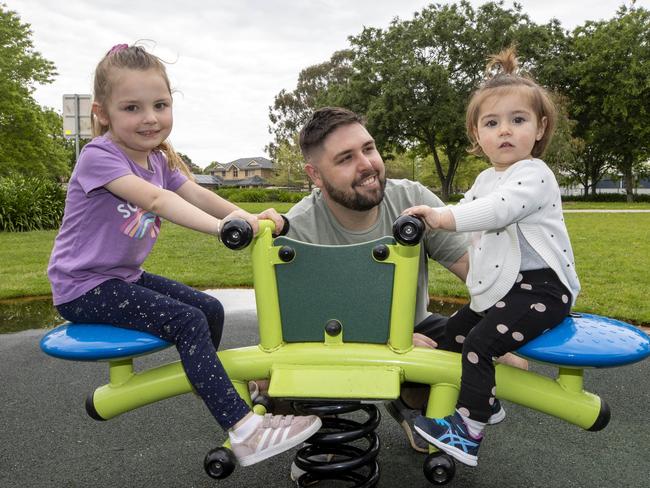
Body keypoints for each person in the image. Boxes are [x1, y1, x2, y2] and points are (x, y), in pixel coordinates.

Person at [47, 44, 321, 468]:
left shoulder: (158, 160)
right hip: (82, 286)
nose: (150, 118)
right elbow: (156, 201)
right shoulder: (98, 156)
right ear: (103, 113)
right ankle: (245, 430)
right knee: (186, 320)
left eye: (160, 105)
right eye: (132, 108)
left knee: (208, 308)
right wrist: (222, 231)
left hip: (121, 277)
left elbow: (197, 193)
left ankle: (209, 384)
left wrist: (247, 217)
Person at [282, 106, 501, 456]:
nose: (367, 164)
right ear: (316, 175)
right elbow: (294, 328)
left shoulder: (410, 200)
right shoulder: (299, 228)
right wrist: (384, 340)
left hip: (415, 331)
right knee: (274, 380)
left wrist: (507, 324)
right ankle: (322, 434)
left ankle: (411, 401)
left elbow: (475, 271)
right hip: (332, 340)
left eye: (368, 149)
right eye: (345, 158)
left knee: (490, 347)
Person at [405, 47, 580, 467]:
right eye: (492, 122)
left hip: (542, 290)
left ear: (540, 128)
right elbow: (475, 210)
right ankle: (486, 402)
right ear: (476, 134)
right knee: (451, 339)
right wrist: (425, 221)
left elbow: (497, 209)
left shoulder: (534, 174)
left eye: (518, 120)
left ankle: (468, 431)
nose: (505, 131)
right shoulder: (486, 177)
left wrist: (441, 217)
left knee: (481, 344)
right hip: (504, 290)